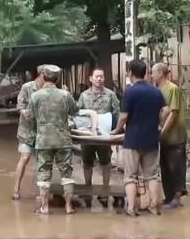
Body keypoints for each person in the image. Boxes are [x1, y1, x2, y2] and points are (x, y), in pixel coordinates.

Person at [112, 59, 169, 216]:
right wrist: (159, 125)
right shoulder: (155, 91)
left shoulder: (130, 92)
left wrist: (116, 130)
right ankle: (154, 206)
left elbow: (124, 116)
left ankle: (132, 208)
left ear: (131, 72)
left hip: (133, 140)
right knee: (152, 175)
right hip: (151, 139)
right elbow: (166, 110)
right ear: (145, 73)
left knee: (130, 176)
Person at [26, 65, 79, 215]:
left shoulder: (35, 96)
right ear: (58, 78)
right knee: (66, 173)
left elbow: (30, 117)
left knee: (43, 173)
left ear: (43, 77)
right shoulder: (65, 95)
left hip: (43, 140)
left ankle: (44, 207)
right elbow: (75, 111)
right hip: (63, 139)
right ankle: (68, 206)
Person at [76, 68, 121, 208]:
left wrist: (115, 131)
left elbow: (117, 113)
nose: (99, 79)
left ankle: (105, 191)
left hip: (104, 136)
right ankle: (87, 189)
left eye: (101, 76)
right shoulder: (84, 95)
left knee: (106, 162)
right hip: (88, 135)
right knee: (87, 162)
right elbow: (78, 112)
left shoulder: (110, 94)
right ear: (91, 78)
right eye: (97, 76)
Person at [152, 62, 187, 209]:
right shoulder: (157, 90)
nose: (151, 75)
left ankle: (177, 198)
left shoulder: (173, 89)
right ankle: (169, 197)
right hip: (164, 137)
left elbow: (174, 113)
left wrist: (163, 131)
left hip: (175, 135)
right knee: (165, 166)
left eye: (153, 72)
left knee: (176, 166)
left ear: (160, 73)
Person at [11, 64, 47, 200]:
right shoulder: (27, 87)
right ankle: (16, 189)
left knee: (41, 162)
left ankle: (40, 191)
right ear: (41, 74)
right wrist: (25, 112)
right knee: (25, 157)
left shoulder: (49, 89)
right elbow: (20, 105)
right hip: (26, 130)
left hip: (42, 131)